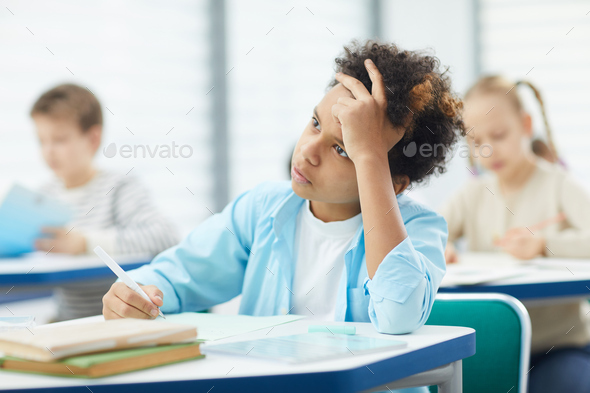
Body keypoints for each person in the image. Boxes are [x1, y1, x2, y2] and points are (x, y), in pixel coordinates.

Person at [103, 40, 465, 393]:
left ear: (396, 183)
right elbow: (177, 275)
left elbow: (398, 315)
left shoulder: (420, 227)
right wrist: (136, 295)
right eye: (315, 123)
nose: (307, 151)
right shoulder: (264, 208)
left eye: (342, 149)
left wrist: (369, 156)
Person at [441, 75, 590, 392]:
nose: (488, 150)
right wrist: (441, 248)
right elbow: (431, 233)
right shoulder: (473, 194)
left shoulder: (560, 184)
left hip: (557, 348)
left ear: (525, 125)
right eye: (476, 141)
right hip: (490, 349)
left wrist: (543, 244)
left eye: (498, 135)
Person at [31, 83, 179, 321]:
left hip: (118, 322)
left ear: (92, 139)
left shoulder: (120, 188)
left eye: (59, 140)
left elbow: (164, 235)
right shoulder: (42, 196)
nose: (48, 151)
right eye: (41, 140)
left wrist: (84, 243)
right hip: (66, 320)